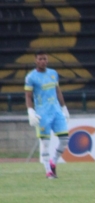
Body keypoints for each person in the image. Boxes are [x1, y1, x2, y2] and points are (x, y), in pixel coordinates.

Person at [24, 50, 71, 179]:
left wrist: (64, 108)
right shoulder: (31, 77)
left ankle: (53, 162)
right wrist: (30, 111)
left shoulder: (53, 73)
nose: (43, 61)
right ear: (35, 60)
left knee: (64, 139)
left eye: (44, 59)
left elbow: (57, 91)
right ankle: (48, 171)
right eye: (40, 59)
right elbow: (28, 96)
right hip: (43, 114)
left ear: (48, 60)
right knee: (45, 143)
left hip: (56, 111)